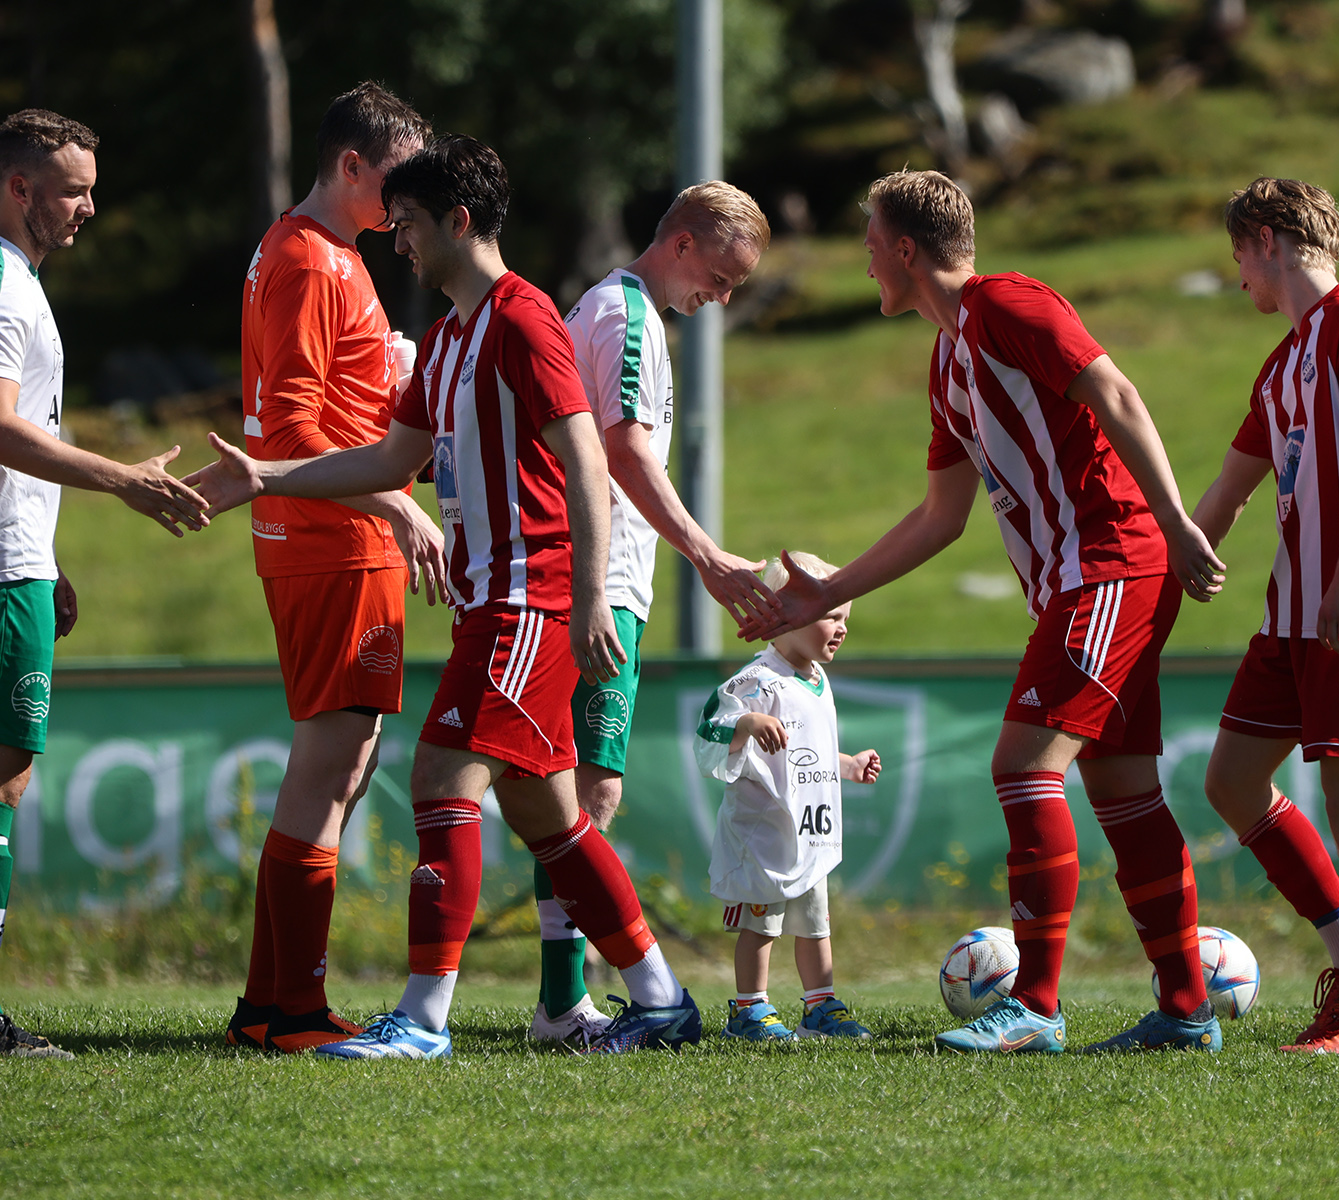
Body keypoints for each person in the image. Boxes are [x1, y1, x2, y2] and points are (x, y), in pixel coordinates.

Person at [187, 134, 700, 1057]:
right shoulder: (454, 335)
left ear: (461, 222)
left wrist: (586, 598)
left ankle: (422, 1020)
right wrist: (265, 476)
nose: (400, 242)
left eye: (413, 224)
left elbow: (587, 458)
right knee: (552, 819)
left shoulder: (522, 317)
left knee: (439, 778)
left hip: (526, 600)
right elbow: (393, 459)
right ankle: (661, 999)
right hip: (491, 601)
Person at [747, 169, 1228, 1055]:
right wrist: (830, 589)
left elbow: (1115, 394)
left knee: (1022, 765)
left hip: (1112, 563)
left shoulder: (1006, 304)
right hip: (1082, 580)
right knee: (1121, 790)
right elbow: (941, 516)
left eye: (868, 241)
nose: (861, 259)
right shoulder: (947, 359)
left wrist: (1174, 521)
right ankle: (1187, 1010)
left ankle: (1036, 1007)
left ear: (904, 249)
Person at [0, 109, 211, 1058]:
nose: (90, 205)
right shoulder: (0, 285)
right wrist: (126, 478)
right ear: (20, 187)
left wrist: (50, 556)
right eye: (72, 189)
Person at [528, 181, 780, 1045]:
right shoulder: (627, 315)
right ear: (681, 245)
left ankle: (564, 997)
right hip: (595, 582)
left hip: (584, 576)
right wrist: (707, 556)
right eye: (722, 273)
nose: (724, 295)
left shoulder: (616, 310)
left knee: (568, 788)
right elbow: (625, 449)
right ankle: (565, 1004)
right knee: (585, 792)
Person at [225, 82, 448, 1056]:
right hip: (333, 542)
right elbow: (293, 426)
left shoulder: (320, 255)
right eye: (399, 177)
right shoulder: (313, 262)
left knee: (336, 767)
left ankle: (268, 1005)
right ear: (352, 165)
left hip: (325, 538)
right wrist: (395, 503)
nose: (411, 198)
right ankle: (292, 1010)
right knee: (332, 764)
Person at [1190, 177, 1339, 1056]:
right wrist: (1173, 559)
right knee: (1231, 780)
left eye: (1238, 258)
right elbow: (1230, 489)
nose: (1238, 278)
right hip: (1291, 616)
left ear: (1266, 241)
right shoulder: (1284, 357)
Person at [695, 554, 880, 1041]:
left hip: (806, 837)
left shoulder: (818, 681)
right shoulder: (759, 679)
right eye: (829, 616)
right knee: (762, 923)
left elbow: (807, 755)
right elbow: (709, 727)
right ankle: (748, 1009)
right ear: (782, 615)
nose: (840, 628)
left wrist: (848, 765)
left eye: (844, 617)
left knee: (815, 924)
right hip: (763, 839)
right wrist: (746, 723)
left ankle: (820, 1006)